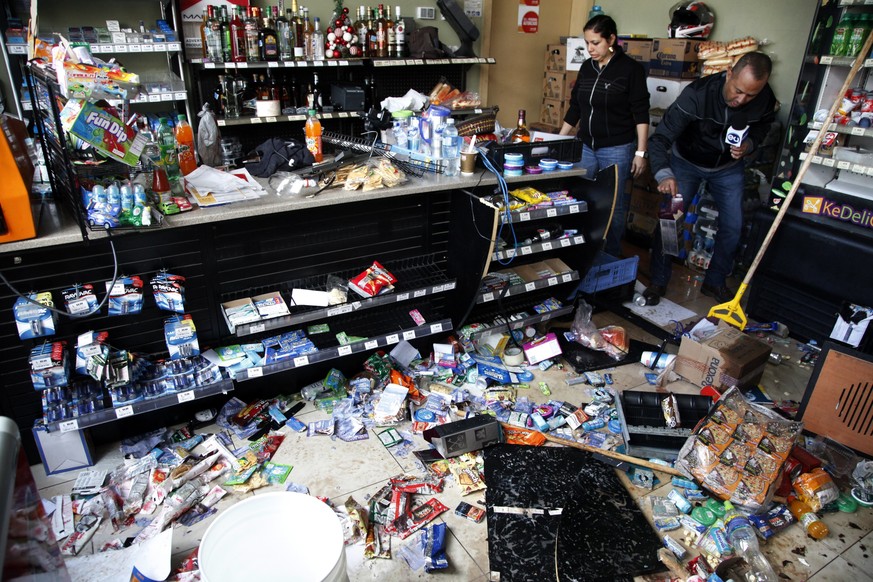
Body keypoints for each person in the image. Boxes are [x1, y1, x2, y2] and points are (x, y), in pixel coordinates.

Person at [643, 52, 777, 305]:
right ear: (729, 73)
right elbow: (660, 138)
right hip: (686, 163)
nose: (742, 100)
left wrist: (748, 145)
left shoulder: (765, 99)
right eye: (738, 91)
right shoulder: (697, 95)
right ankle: (659, 280)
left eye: (751, 95)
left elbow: (763, 127)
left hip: (727, 167)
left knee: (733, 226)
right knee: (670, 219)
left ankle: (714, 282)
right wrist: (664, 173)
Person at [560, 14, 650, 258]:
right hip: (586, 145)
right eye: (587, 43)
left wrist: (641, 152)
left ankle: (609, 255)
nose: (590, 48)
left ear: (611, 39)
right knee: (581, 196)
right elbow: (576, 108)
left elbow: (641, 113)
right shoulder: (586, 67)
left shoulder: (630, 70)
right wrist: (559, 139)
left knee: (613, 204)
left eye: (596, 43)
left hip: (617, 147)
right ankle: (582, 251)